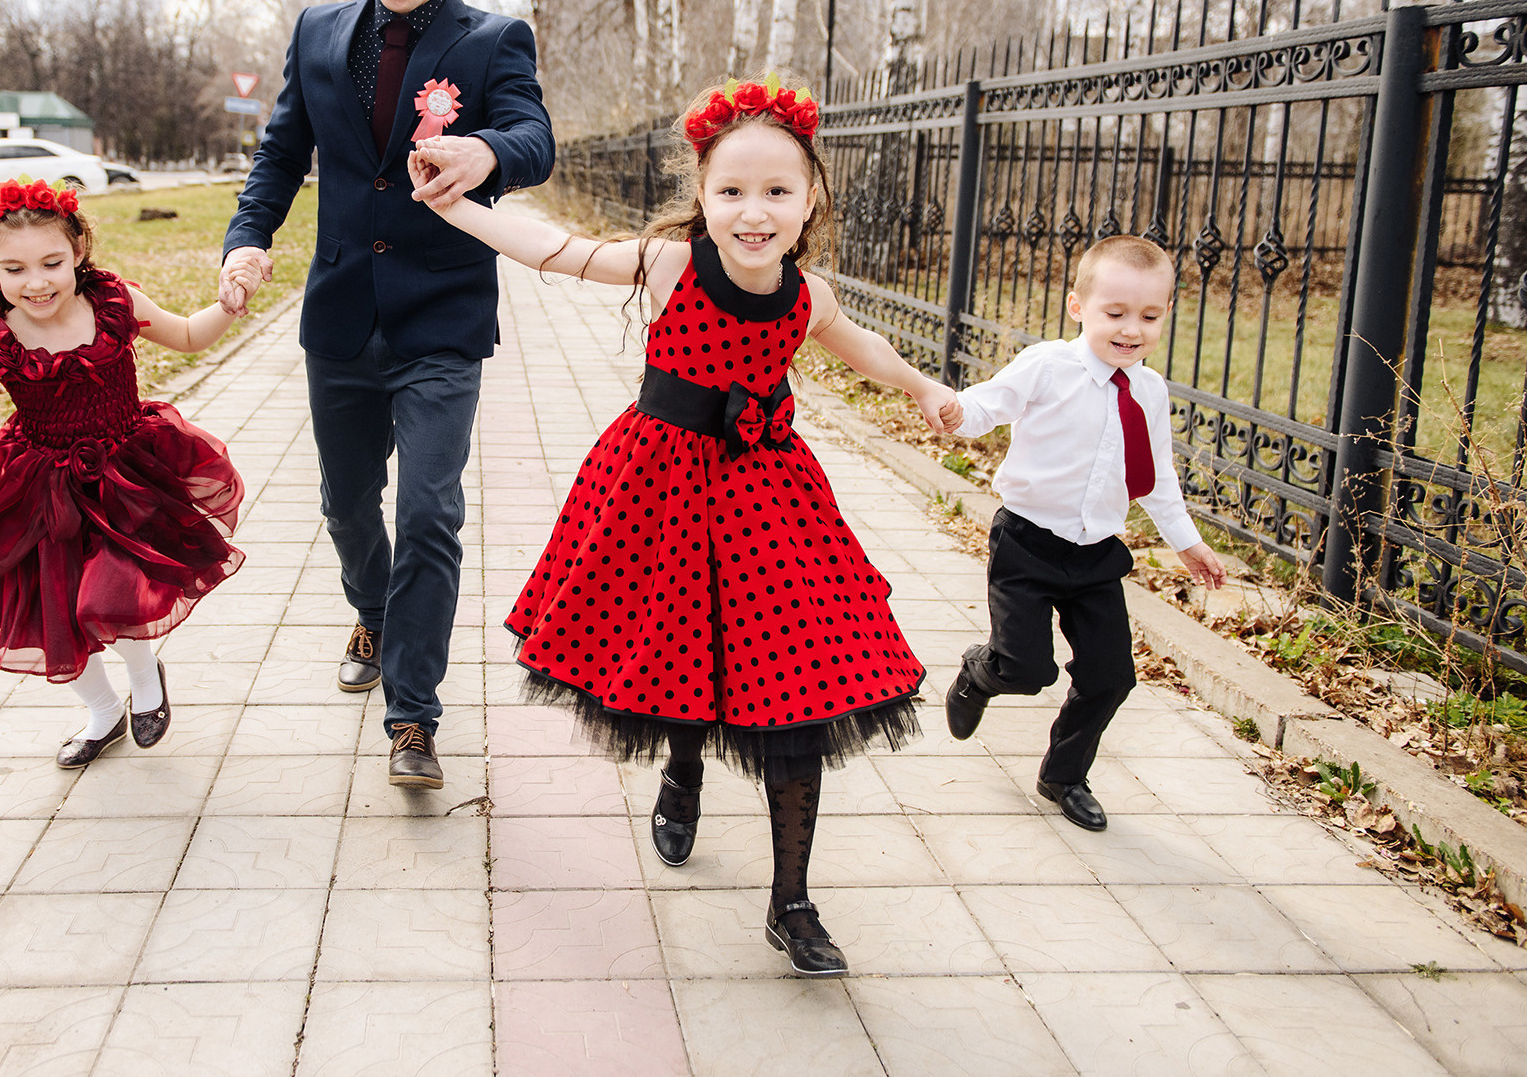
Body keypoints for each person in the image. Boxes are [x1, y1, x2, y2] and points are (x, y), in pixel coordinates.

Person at [415, 76, 958, 977]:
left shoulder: (805, 296)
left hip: (771, 497)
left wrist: (926, 389)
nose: (754, 212)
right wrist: (460, 205)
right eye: (732, 191)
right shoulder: (672, 264)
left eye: (778, 191)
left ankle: (792, 900)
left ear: (810, 196)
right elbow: (553, 248)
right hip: (659, 488)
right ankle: (683, 768)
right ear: (702, 194)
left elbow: (866, 344)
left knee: (802, 679)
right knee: (680, 646)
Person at [217, 0, 554, 790]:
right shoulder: (320, 32)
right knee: (345, 503)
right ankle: (370, 607)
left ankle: (414, 713)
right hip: (339, 318)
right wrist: (249, 238)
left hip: (442, 315)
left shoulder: (492, 40)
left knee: (432, 513)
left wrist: (485, 152)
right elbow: (282, 154)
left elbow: (535, 137)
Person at [0, 176, 246, 767]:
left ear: (78, 253)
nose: (37, 282)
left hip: (126, 474)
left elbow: (191, 336)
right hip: (41, 488)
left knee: (117, 592)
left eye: (52, 263)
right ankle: (101, 712)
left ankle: (146, 681)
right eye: (15, 270)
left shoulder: (114, 303)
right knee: (52, 608)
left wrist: (227, 305)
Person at [943, 234, 1227, 831]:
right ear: (1078, 307)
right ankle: (979, 672)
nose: (1131, 329)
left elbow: (1156, 476)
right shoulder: (1049, 365)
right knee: (1026, 668)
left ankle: (1064, 774)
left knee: (1110, 675)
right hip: (1026, 542)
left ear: (1166, 315)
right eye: (1115, 313)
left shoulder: (1148, 392)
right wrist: (954, 411)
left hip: (1096, 553)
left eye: (1148, 317)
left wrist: (1187, 542)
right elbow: (989, 405)